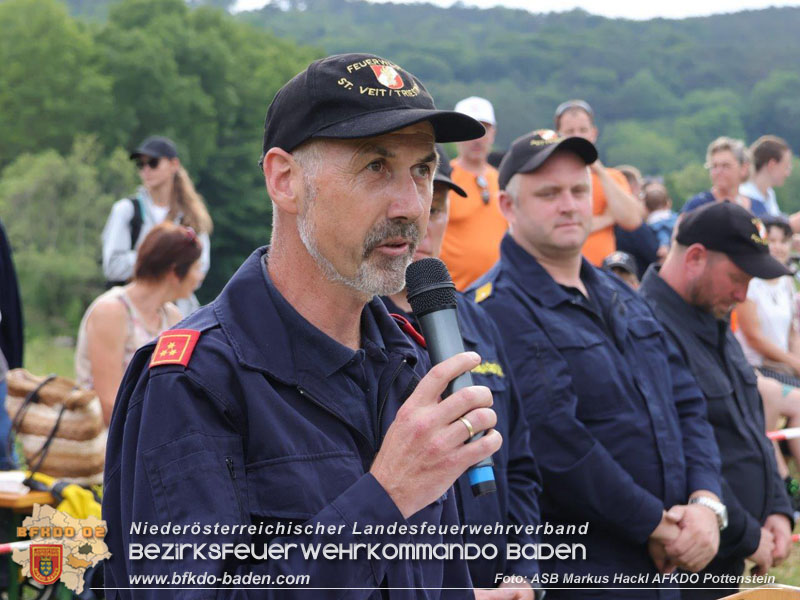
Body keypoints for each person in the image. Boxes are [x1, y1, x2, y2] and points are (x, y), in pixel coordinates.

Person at [103, 53, 501, 598]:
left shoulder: (411, 364)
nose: (411, 205)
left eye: (422, 170)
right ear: (285, 180)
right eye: (376, 166)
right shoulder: (193, 381)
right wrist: (383, 500)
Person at [471, 129, 723, 599]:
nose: (569, 205)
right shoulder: (496, 308)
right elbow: (555, 442)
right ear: (507, 206)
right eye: (549, 194)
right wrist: (658, 525)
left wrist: (706, 504)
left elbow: (687, 400)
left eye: (579, 190)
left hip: (667, 562)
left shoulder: (619, 293)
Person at [382, 145, 542, 599]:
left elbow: (522, 465)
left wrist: (526, 572)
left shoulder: (475, 320)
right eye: (419, 208)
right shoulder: (358, 326)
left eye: (437, 208)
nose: (423, 223)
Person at [638, 202, 794, 598]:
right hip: (686, 564)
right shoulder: (646, 328)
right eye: (738, 278)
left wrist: (777, 506)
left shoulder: (713, 315)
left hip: (730, 551)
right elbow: (682, 452)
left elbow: (749, 424)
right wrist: (746, 534)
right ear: (695, 257)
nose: (742, 295)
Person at [76, 223, 201, 424]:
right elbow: (109, 404)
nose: (199, 276)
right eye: (197, 268)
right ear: (174, 272)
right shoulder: (112, 311)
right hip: (107, 440)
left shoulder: (173, 317)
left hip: (151, 432)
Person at [101, 135, 213, 316]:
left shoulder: (191, 216)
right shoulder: (126, 210)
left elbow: (199, 269)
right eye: (140, 165)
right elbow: (112, 266)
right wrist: (163, 262)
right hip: (132, 314)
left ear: (174, 165)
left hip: (180, 315)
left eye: (153, 163)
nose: (146, 170)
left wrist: (149, 266)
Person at [554, 99, 643, 266]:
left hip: (603, 272)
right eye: (570, 131)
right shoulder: (549, 177)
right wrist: (608, 218)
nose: (577, 137)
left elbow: (632, 220)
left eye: (583, 130)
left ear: (593, 133)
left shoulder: (612, 177)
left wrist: (599, 171)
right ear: (558, 136)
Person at [439, 96, 508, 290]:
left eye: (484, 128)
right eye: (471, 128)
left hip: (498, 293)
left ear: (493, 133)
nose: (478, 137)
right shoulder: (444, 179)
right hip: (455, 295)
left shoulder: (502, 180)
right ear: (456, 133)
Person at [735, 217, 800, 387]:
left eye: (783, 241)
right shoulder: (750, 283)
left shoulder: (786, 281)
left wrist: (796, 363)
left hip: (784, 367)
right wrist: (795, 364)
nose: (778, 247)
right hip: (758, 368)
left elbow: (793, 333)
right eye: (772, 241)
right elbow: (754, 338)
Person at [681, 137, 768, 217]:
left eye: (725, 166)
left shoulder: (758, 208)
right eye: (714, 166)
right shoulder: (697, 206)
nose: (718, 172)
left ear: (743, 168)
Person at [740, 135, 793, 217]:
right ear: (772, 165)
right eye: (786, 167)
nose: (788, 173)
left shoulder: (770, 194)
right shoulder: (743, 196)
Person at [643, 182, 678, 262]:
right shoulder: (674, 217)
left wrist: (663, 246)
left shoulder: (655, 222)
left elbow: (663, 234)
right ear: (668, 203)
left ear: (646, 208)